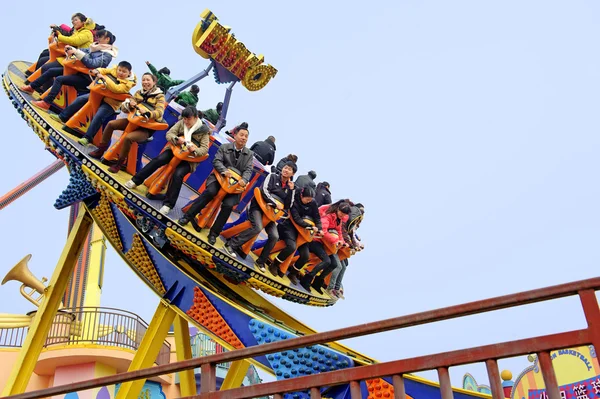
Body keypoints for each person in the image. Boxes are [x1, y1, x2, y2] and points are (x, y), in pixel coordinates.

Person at [125, 107, 211, 215]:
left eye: (188, 119)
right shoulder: (181, 123)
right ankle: (135, 180)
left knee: (178, 174)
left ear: (196, 118)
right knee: (159, 159)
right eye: (184, 118)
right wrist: (176, 139)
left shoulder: (204, 132)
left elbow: (204, 149)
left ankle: (168, 204)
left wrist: (195, 150)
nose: (186, 121)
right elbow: (169, 134)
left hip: (189, 160)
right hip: (174, 150)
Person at [178, 127, 254, 244]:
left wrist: (244, 179)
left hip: (234, 187)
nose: (244, 138)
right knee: (210, 192)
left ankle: (214, 233)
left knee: (228, 205)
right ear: (235, 136)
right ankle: (188, 216)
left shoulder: (249, 154)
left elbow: (249, 170)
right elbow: (216, 161)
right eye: (241, 135)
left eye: (246, 136)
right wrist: (224, 170)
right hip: (219, 179)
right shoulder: (224, 147)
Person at [88, 72, 166, 173]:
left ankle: (119, 164)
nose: (145, 82)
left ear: (154, 82)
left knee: (128, 138)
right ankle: (100, 150)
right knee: (111, 124)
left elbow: (159, 112)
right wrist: (129, 105)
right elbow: (125, 108)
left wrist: (148, 113)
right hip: (133, 121)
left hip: (145, 128)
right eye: (143, 80)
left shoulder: (159, 96)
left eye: (148, 80)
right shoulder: (138, 92)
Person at [224, 161, 296, 269]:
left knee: (274, 236)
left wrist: (291, 190)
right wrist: (274, 203)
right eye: (285, 168)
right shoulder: (272, 177)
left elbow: (288, 205)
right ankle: (231, 244)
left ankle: (261, 261)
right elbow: (264, 190)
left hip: (271, 215)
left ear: (292, 174)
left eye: (289, 170)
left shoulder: (288, 188)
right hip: (257, 207)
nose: (286, 170)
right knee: (257, 227)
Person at [24, 30, 118, 110]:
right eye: (97, 36)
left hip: (86, 77)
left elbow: (92, 64)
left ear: (107, 39)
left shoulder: (106, 55)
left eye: (100, 37)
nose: (97, 38)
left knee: (59, 79)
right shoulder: (94, 47)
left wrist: (77, 53)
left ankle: (46, 103)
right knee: (50, 71)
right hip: (76, 70)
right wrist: (71, 49)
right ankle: (31, 87)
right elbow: (83, 51)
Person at [47, 61, 136, 142]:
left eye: (124, 72)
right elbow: (104, 70)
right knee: (80, 99)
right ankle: (62, 116)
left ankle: (87, 138)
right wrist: (97, 71)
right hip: (98, 95)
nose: (120, 73)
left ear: (129, 73)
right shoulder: (113, 70)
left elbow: (117, 89)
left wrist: (104, 79)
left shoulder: (128, 84)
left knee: (99, 115)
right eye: (119, 70)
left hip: (110, 103)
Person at [270, 186, 323, 282]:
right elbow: (296, 219)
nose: (309, 201)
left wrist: (319, 228)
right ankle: (274, 264)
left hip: (304, 233)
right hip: (290, 227)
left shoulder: (312, 202)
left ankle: (293, 273)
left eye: (310, 200)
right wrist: (310, 227)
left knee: (305, 255)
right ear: (302, 195)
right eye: (307, 199)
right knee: (291, 246)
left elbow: (317, 217)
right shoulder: (295, 201)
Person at [298, 200, 351, 293]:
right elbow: (324, 231)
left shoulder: (338, 220)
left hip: (324, 244)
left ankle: (317, 282)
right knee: (327, 261)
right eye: (341, 213)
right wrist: (335, 240)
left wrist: (342, 242)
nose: (342, 215)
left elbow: (339, 233)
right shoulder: (328, 216)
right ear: (338, 209)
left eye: (344, 214)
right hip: (315, 241)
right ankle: (307, 279)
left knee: (334, 264)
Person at [328, 203, 365, 298]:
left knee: (344, 266)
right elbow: (343, 232)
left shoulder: (351, 225)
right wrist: (348, 244)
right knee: (338, 266)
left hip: (339, 245)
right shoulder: (342, 221)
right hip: (332, 244)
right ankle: (330, 288)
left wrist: (354, 245)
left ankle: (336, 288)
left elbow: (350, 235)